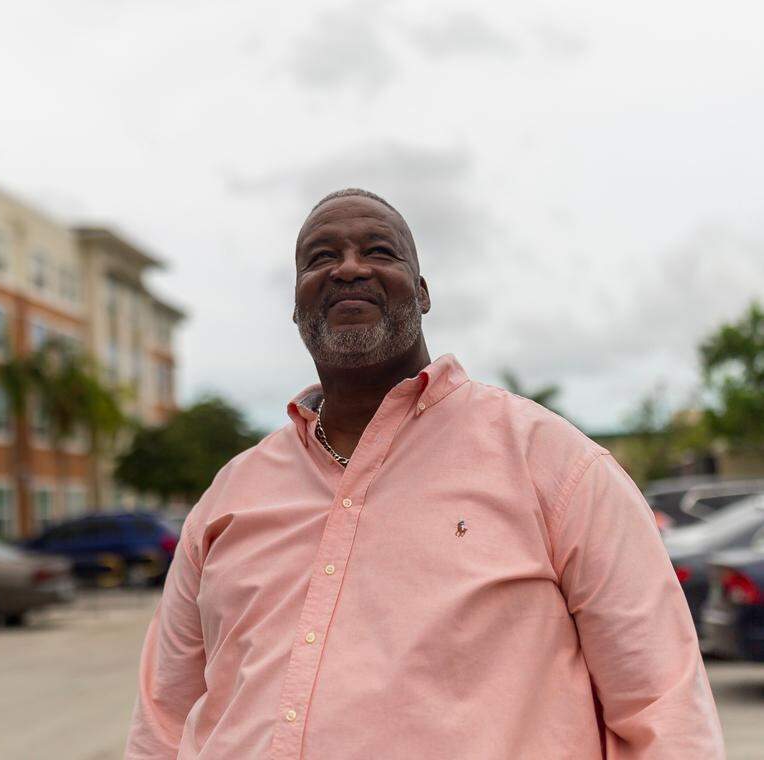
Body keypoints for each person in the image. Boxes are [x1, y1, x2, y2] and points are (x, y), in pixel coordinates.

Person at [124, 189, 724, 759]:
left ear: (423, 290)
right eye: (321, 258)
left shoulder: (554, 463)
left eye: (378, 251)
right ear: (297, 303)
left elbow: (662, 703)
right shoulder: (232, 494)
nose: (348, 268)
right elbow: (163, 716)